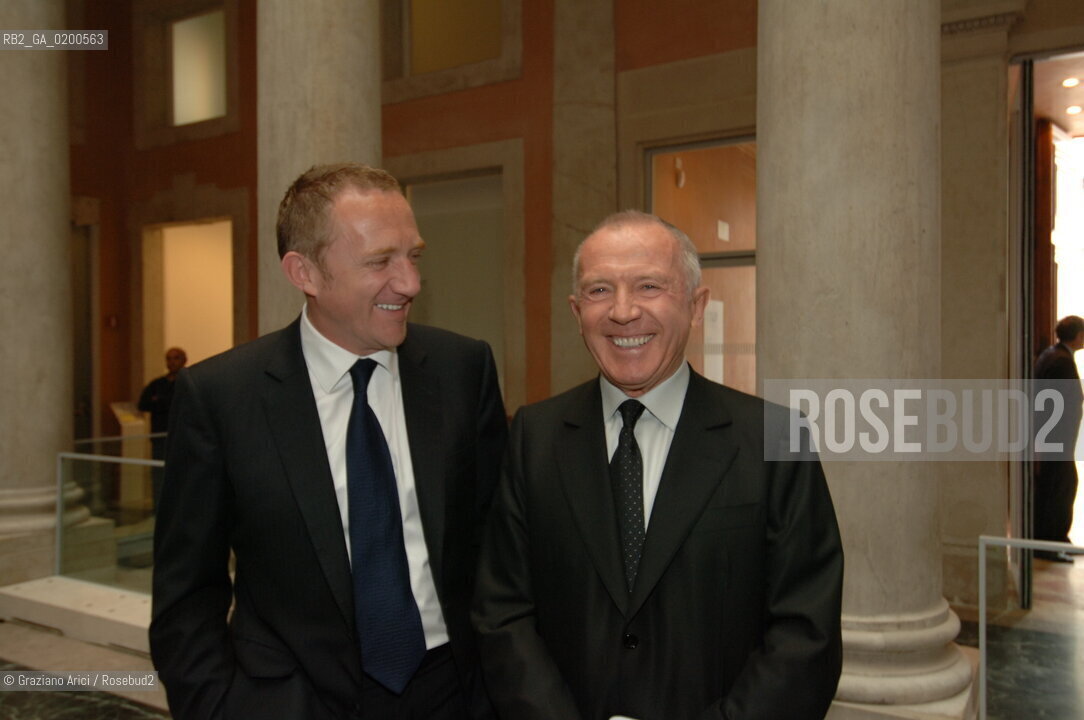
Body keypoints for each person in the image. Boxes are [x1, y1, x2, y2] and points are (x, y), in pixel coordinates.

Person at [150, 163, 507, 720]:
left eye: (413, 256)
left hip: (454, 694)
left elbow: (498, 548)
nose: (410, 283)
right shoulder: (221, 396)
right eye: (379, 261)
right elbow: (186, 593)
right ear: (305, 273)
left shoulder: (464, 370)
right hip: (290, 699)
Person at [472, 211, 843, 720]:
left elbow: (806, 637)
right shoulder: (534, 436)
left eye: (649, 286)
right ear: (576, 310)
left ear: (696, 305)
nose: (623, 313)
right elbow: (503, 612)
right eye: (600, 291)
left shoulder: (777, 438)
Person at [1034, 315, 1084, 563]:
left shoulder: (1052, 355)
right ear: (1077, 335)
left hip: (1052, 438)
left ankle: (1055, 540)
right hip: (1056, 439)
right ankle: (1050, 543)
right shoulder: (1061, 361)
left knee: (1058, 488)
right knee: (1058, 490)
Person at [138, 346, 186, 505]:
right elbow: (143, 404)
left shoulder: (188, 383)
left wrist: (159, 401)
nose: (172, 362)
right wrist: (164, 403)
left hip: (182, 437)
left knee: (181, 472)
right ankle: (158, 506)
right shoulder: (157, 384)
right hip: (159, 437)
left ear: (184, 360)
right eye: (169, 358)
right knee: (159, 473)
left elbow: (181, 405)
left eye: (176, 358)